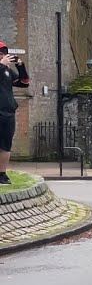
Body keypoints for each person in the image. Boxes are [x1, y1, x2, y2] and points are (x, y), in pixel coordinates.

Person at [0, 42, 30, 184]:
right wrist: (1, 66)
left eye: (4, 53)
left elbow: (24, 83)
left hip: (8, 112)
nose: (4, 56)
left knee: (5, 145)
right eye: (1, 54)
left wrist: (20, 66)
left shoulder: (7, 71)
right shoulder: (2, 68)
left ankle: (2, 174)